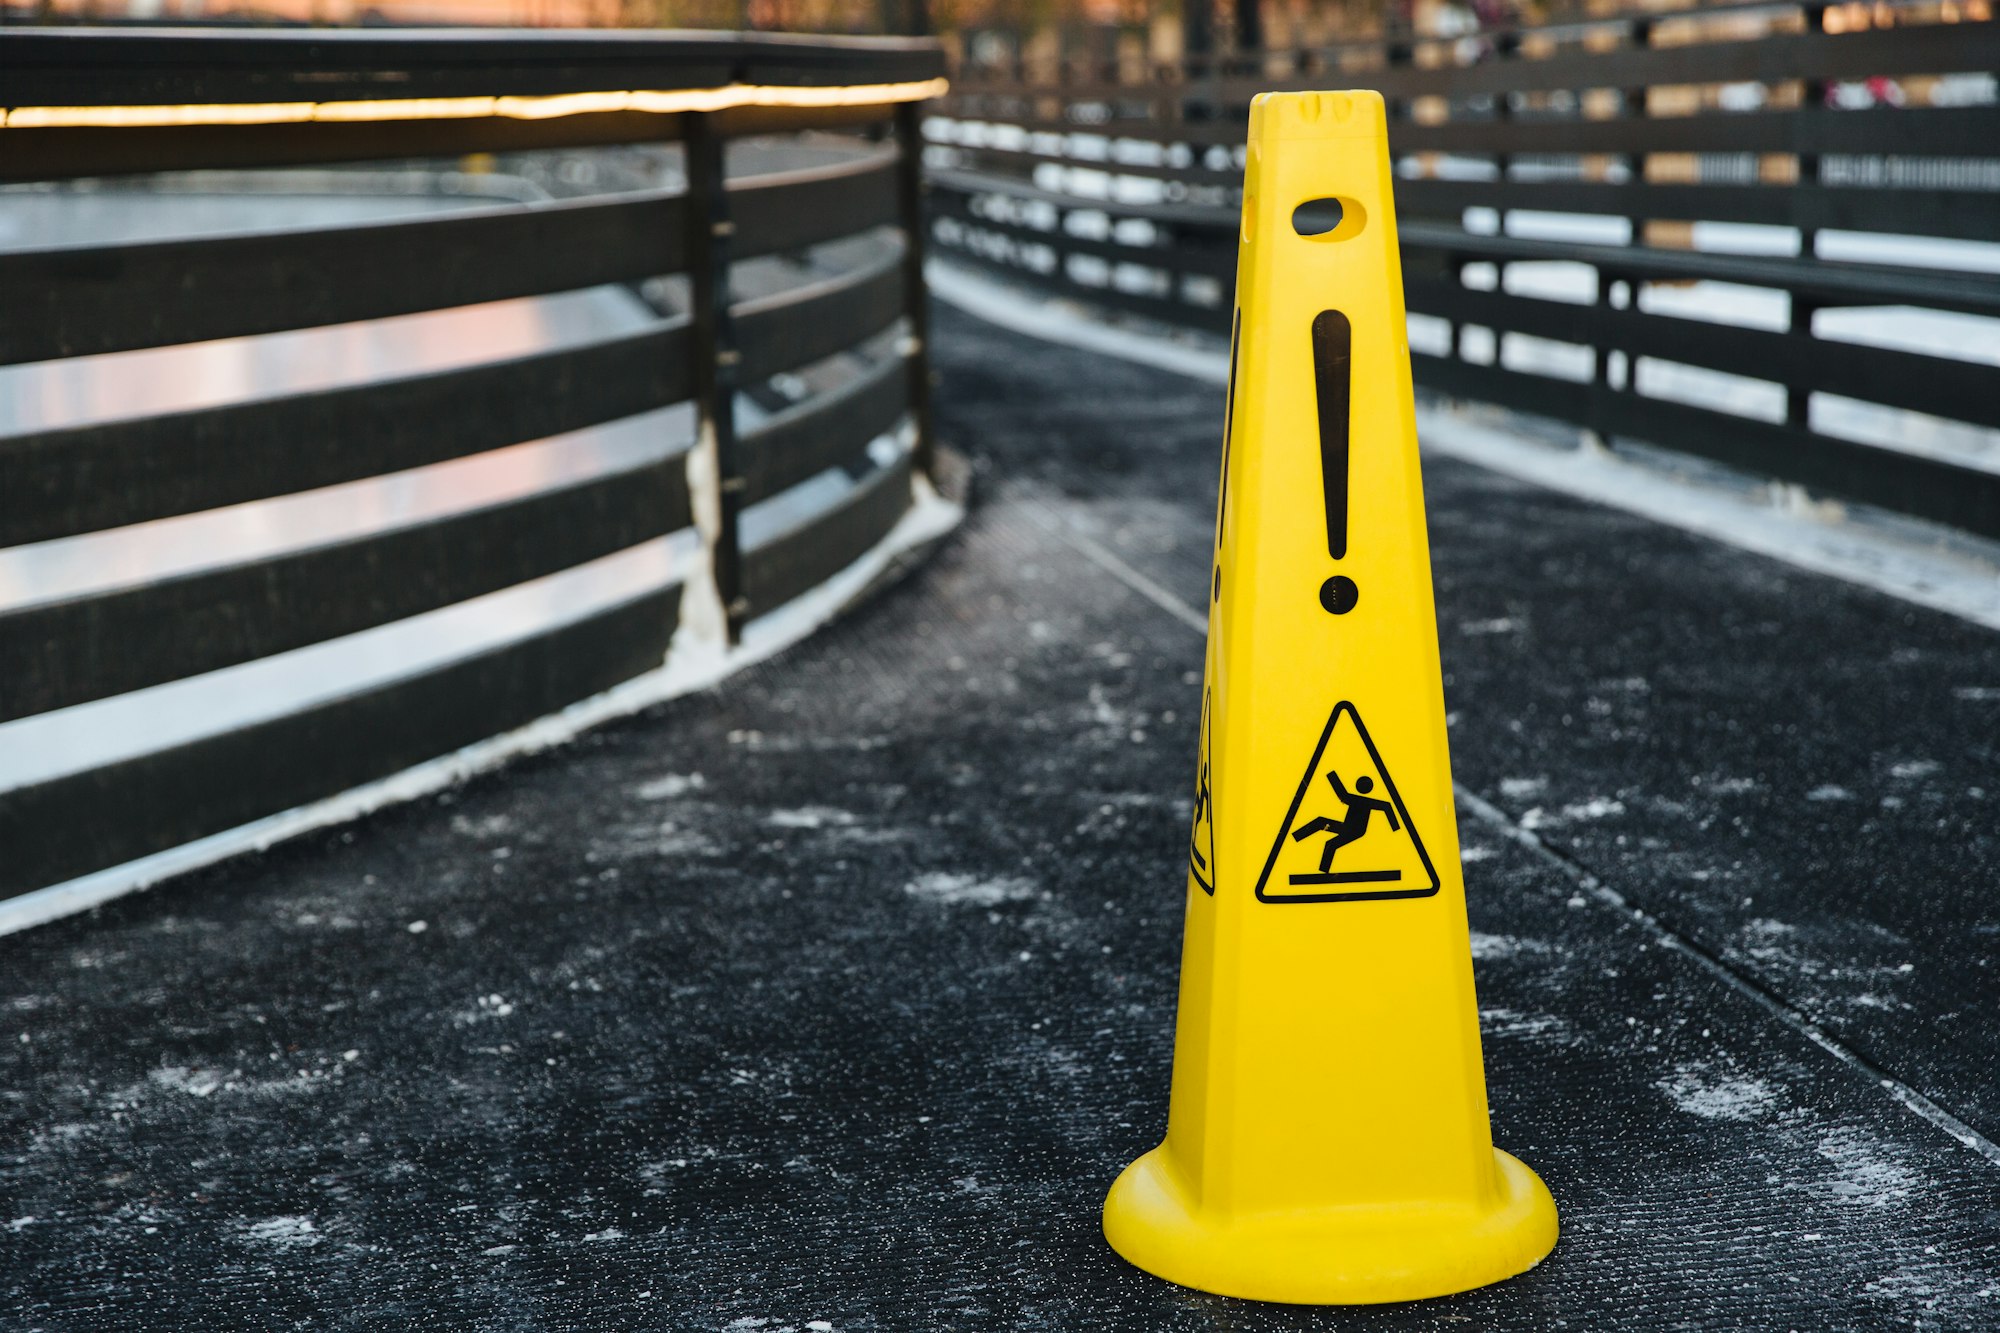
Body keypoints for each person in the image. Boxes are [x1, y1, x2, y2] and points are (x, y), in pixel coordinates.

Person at [1290, 770, 1397, 873]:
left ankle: (1323, 871)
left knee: (1331, 843)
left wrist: (1331, 776)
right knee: (1322, 828)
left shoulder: (1361, 801)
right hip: (1348, 827)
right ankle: (1292, 840)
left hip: (1354, 830)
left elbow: (1343, 795)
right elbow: (1386, 806)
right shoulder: (1361, 800)